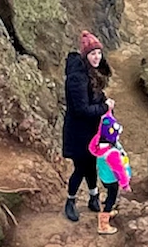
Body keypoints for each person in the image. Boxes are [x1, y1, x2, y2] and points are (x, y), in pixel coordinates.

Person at [60, 32, 108, 222]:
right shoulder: (77, 78)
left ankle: (93, 197)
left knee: (91, 165)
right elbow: (81, 109)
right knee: (80, 167)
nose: (97, 57)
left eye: (98, 53)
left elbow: (93, 96)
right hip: (78, 132)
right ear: (85, 56)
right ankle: (70, 202)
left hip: (90, 130)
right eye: (93, 53)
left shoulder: (90, 73)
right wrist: (105, 107)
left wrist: (103, 100)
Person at [88, 101, 130, 233]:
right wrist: (125, 184)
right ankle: (103, 223)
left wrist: (108, 111)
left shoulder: (98, 145)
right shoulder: (112, 154)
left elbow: (104, 125)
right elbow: (119, 170)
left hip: (104, 176)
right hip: (112, 179)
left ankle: (107, 206)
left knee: (109, 194)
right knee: (113, 196)